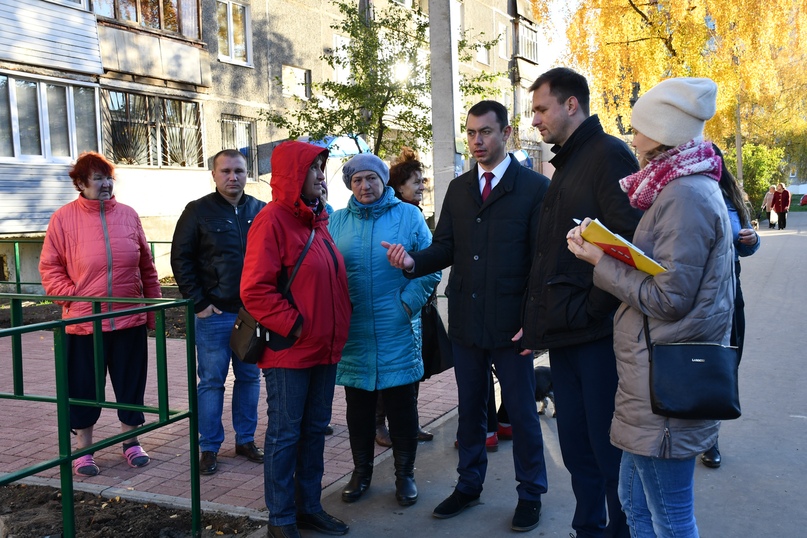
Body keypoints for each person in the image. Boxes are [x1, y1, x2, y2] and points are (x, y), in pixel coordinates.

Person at [567, 76, 734, 537]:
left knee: (671, 519)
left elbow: (669, 298)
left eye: (639, 127)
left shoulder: (685, 195)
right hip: (652, 379)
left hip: (664, 384)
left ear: (663, 132)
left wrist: (601, 260)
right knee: (636, 508)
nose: (632, 136)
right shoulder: (680, 187)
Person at [384, 100, 550, 532]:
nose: (477, 141)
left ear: (507, 133)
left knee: (521, 412)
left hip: (513, 328)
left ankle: (530, 493)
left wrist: (533, 322)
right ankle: (469, 485)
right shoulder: (458, 189)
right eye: (471, 133)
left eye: (486, 132)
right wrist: (411, 263)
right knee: (470, 409)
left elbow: (542, 262)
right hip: (467, 322)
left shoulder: (534, 188)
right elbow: (445, 248)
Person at [521, 67, 641, 538]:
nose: (535, 120)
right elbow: (552, 254)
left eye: (541, 109)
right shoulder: (570, 161)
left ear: (572, 105)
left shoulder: (609, 156)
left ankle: (621, 530)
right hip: (568, 336)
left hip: (597, 338)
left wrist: (590, 309)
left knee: (606, 449)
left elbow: (628, 247)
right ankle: (587, 527)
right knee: (576, 447)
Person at [241, 140, 352, 538]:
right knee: (286, 434)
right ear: (293, 176)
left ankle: (308, 508)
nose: (322, 176)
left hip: (324, 348)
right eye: (314, 169)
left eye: (321, 169)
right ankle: (282, 519)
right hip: (291, 350)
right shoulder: (272, 221)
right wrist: (298, 326)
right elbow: (255, 290)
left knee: (313, 430)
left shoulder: (317, 220)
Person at [39, 151, 161, 477]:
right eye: (98, 178)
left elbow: (147, 268)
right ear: (80, 183)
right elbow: (50, 270)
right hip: (83, 324)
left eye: (108, 178)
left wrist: (151, 311)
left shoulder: (129, 215)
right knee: (83, 387)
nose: (106, 184)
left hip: (127, 320)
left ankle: (131, 442)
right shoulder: (63, 219)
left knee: (130, 384)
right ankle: (84, 450)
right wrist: (75, 300)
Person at [329, 153, 439, 507]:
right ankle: (361, 473)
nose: (365, 186)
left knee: (402, 407)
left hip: (398, 328)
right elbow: (328, 273)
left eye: (371, 179)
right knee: (358, 409)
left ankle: (405, 475)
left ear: (383, 181)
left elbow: (430, 266)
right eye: (358, 180)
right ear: (350, 184)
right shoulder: (337, 221)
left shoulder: (408, 215)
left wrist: (407, 304)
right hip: (355, 331)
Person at [171, 149, 266, 476]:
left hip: (252, 315)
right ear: (214, 175)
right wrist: (198, 303)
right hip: (214, 314)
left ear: (246, 172)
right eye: (225, 171)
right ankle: (209, 447)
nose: (232, 177)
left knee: (250, 378)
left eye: (238, 170)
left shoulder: (260, 211)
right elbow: (181, 259)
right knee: (211, 382)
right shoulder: (198, 211)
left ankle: (246, 439)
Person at [700, 145, 761, 469]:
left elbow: (746, 243)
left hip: (731, 286)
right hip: (701, 289)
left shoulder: (731, 196)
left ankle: (709, 433)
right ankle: (706, 439)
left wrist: (750, 240)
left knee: (728, 361)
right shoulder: (693, 194)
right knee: (703, 362)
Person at [374, 147, 435, 447]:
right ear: (399, 187)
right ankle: (380, 426)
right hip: (397, 308)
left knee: (414, 370)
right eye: (417, 181)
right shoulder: (393, 217)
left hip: (416, 305)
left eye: (423, 181)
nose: (423, 186)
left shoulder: (416, 214)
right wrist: (404, 303)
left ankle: (410, 423)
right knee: (391, 372)